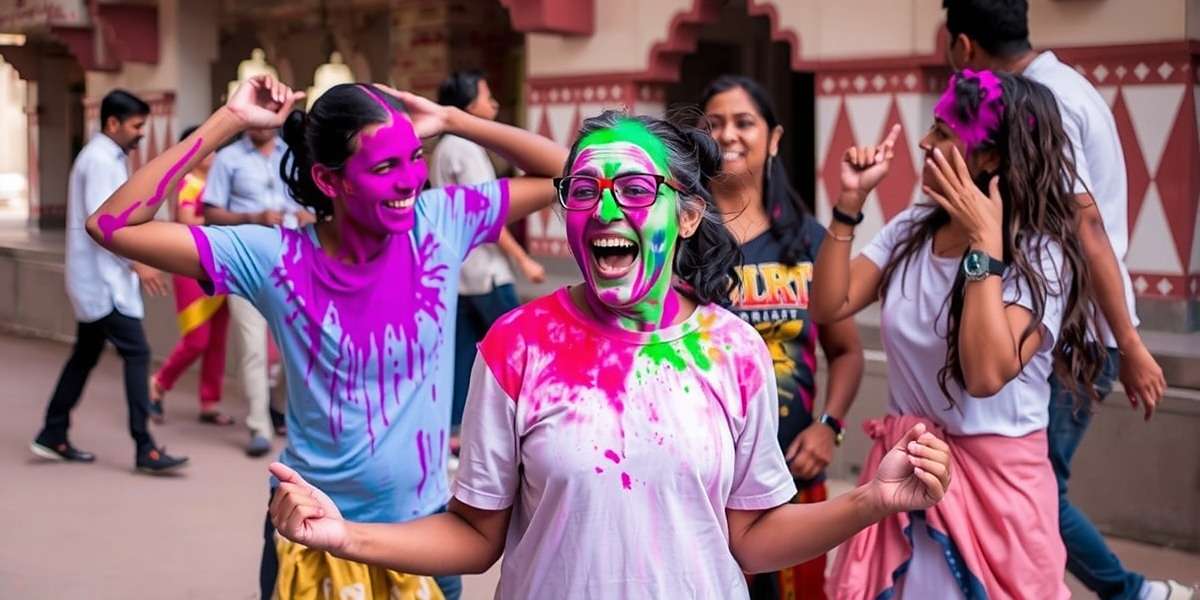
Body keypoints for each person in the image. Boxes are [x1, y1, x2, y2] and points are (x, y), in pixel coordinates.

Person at [266, 110, 953, 600]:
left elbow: (752, 538)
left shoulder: (732, 349)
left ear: (685, 216)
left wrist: (872, 500)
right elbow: (476, 536)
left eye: (633, 190)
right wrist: (346, 535)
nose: (603, 209)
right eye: (585, 190)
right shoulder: (517, 343)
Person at [84, 74, 568, 600]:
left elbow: (570, 171)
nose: (410, 181)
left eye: (413, 157)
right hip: (309, 534)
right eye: (385, 166)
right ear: (330, 180)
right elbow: (113, 225)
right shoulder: (277, 258)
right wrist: (230, 120)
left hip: (424, 538)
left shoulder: (441, 222)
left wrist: (454, 120)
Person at [816, 70, 1101, 598]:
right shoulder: (913, 227)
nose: (926, 143)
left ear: (989, 157)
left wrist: (984, 245)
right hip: (907, 478)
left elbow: (985, 373)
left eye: (945, 133)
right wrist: (848, 205)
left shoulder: (1043, 254)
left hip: (999, 502)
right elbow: (830, 303)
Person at [939, 3, 1186, 599]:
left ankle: (1131, 593)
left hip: (1074, 328)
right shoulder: (1054, 86)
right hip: (1061, 318)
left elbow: (1089, 229)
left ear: (963, 47)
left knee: (1033, 483)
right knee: (1026, 481)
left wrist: (1128, 342)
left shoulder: (1043, 100)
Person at [702, 75, 864, 600]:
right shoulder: (680, 242)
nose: (729, 134)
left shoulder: (809, 240)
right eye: (714, 124)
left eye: (744, 122)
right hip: (706, 483)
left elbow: (846, 352)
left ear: (773, 138)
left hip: (793, 480)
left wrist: (828, 428)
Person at [31, 89, 188, 474]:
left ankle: (53, 432)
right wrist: (140, 263)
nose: (140, 135)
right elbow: (106, 228)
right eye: (136, 127)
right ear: (112, 123)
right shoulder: (100, 161)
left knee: (85, 355)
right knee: (137, 353)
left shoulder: (106, 158)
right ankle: (144, 447)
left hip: (100, 281)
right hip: (102, 282)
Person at [430, 70, 546, 443]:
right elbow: (488, 215)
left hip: (460, 271)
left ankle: (452, 431)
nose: (494, 102)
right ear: (467, 104)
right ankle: (537, 424)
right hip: (484, 271)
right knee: (522, 347)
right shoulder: (464, 146)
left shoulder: (445, 147)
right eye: (486, 94)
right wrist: (524, 260)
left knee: (464, 352)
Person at [202, 122, 314, 456]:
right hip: (245, 261)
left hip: (292, 259)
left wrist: (308, 215)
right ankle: (258, 426)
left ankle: (278, 406)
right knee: (252, 347)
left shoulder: (295, 155)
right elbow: (211, 213)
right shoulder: (228, 158)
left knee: (298, 343)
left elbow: (314, 201)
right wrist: (254, 215)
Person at [148, 125, 234, 426]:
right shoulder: (190, 183)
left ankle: (210, 401)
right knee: (197, 339)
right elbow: (187, 220)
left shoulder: (219, 183)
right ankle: (158, 383)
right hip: (192, 267)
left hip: (221, 264)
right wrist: (225, 218)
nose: (214, 154)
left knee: (218, 338)